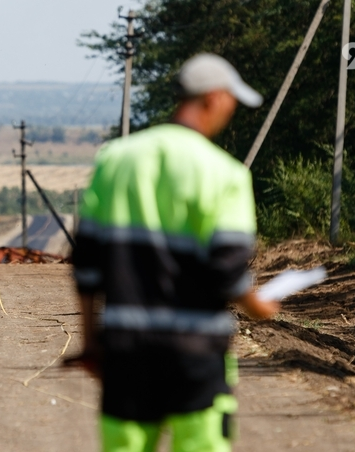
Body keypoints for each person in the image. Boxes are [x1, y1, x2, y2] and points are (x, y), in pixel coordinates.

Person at [70, 53, 281, 452]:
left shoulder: (115, 159)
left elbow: (87, 266)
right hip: (196, 353)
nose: (231, 111)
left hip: (126, 348)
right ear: (213, 98)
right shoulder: (225, 173)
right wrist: (258, 304)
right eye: (232, 101)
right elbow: (228, 272)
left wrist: (90, 344)